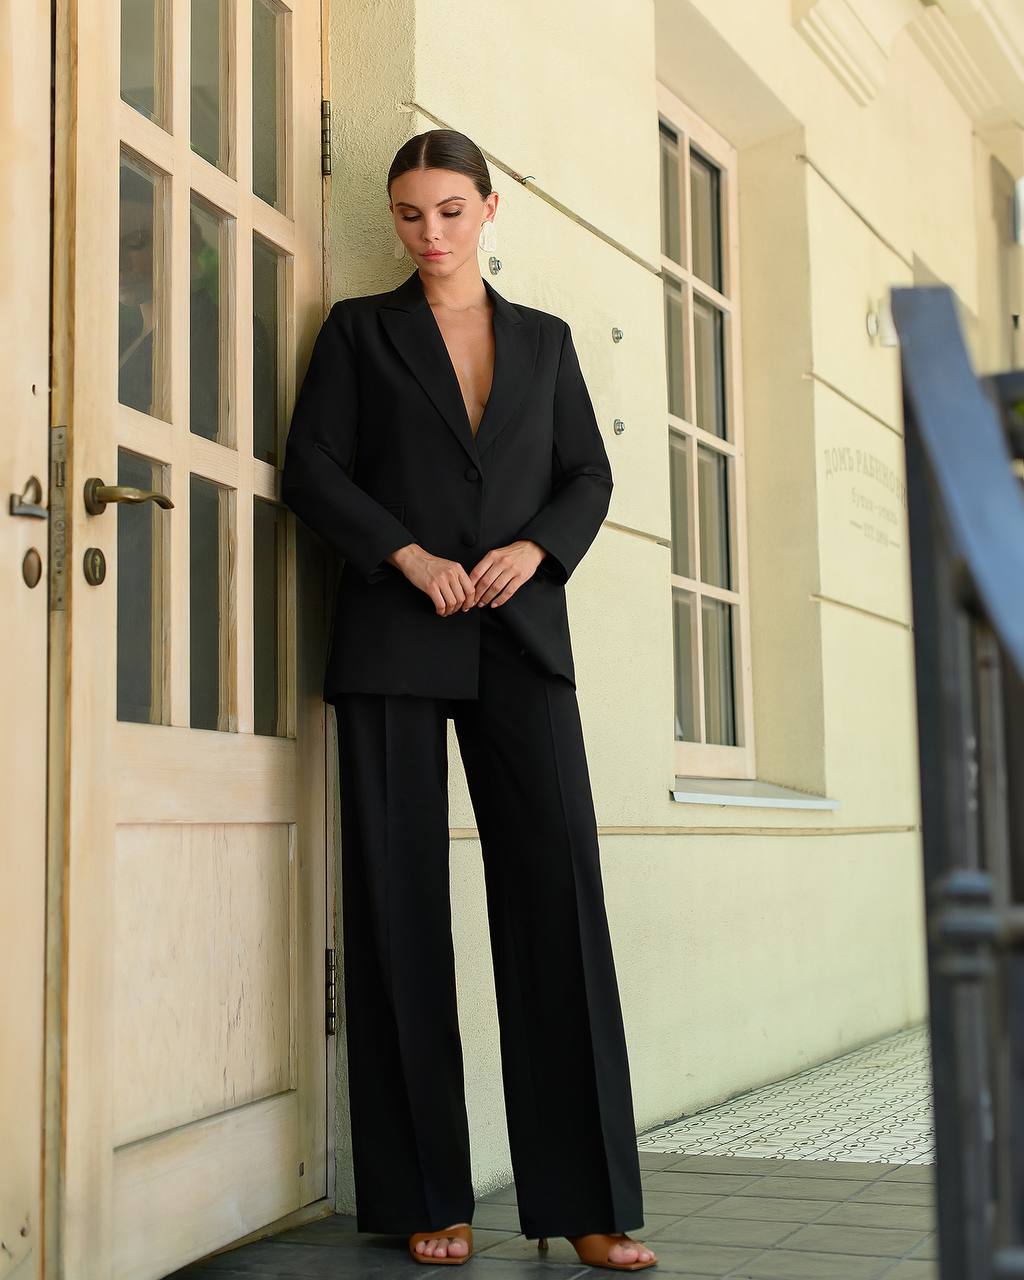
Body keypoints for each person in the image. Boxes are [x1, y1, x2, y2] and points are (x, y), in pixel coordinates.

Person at [280, 128, 657, 1272]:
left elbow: (587, 473)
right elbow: (313, 469)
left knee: (556, 902)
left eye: (449, 209)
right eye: (407, 212)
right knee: (397, 909)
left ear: (489, 210)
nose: (428, 232)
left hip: (521, 637)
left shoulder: (542, 343)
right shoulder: (358, 331)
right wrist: (405, 556)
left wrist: (536, 551)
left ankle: (587, 1200)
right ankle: (422, 1193)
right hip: (397, 632)